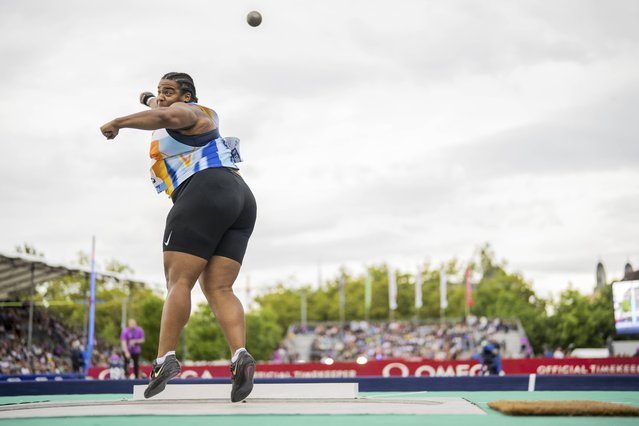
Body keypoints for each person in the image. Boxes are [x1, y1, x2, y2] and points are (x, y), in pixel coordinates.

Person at [100, 72, 257, 402]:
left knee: (179, 282)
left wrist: (119, 122)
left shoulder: (189, 112)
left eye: (169, 92)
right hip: (239, 197)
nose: (163, 97)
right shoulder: (194, 114)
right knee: (218, 286)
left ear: (187, 96)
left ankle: (163, 359)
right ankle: (240, 355)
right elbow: (155, 105)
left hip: (204, 191)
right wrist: (147, 98)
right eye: (161, 91)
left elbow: (165, 114)